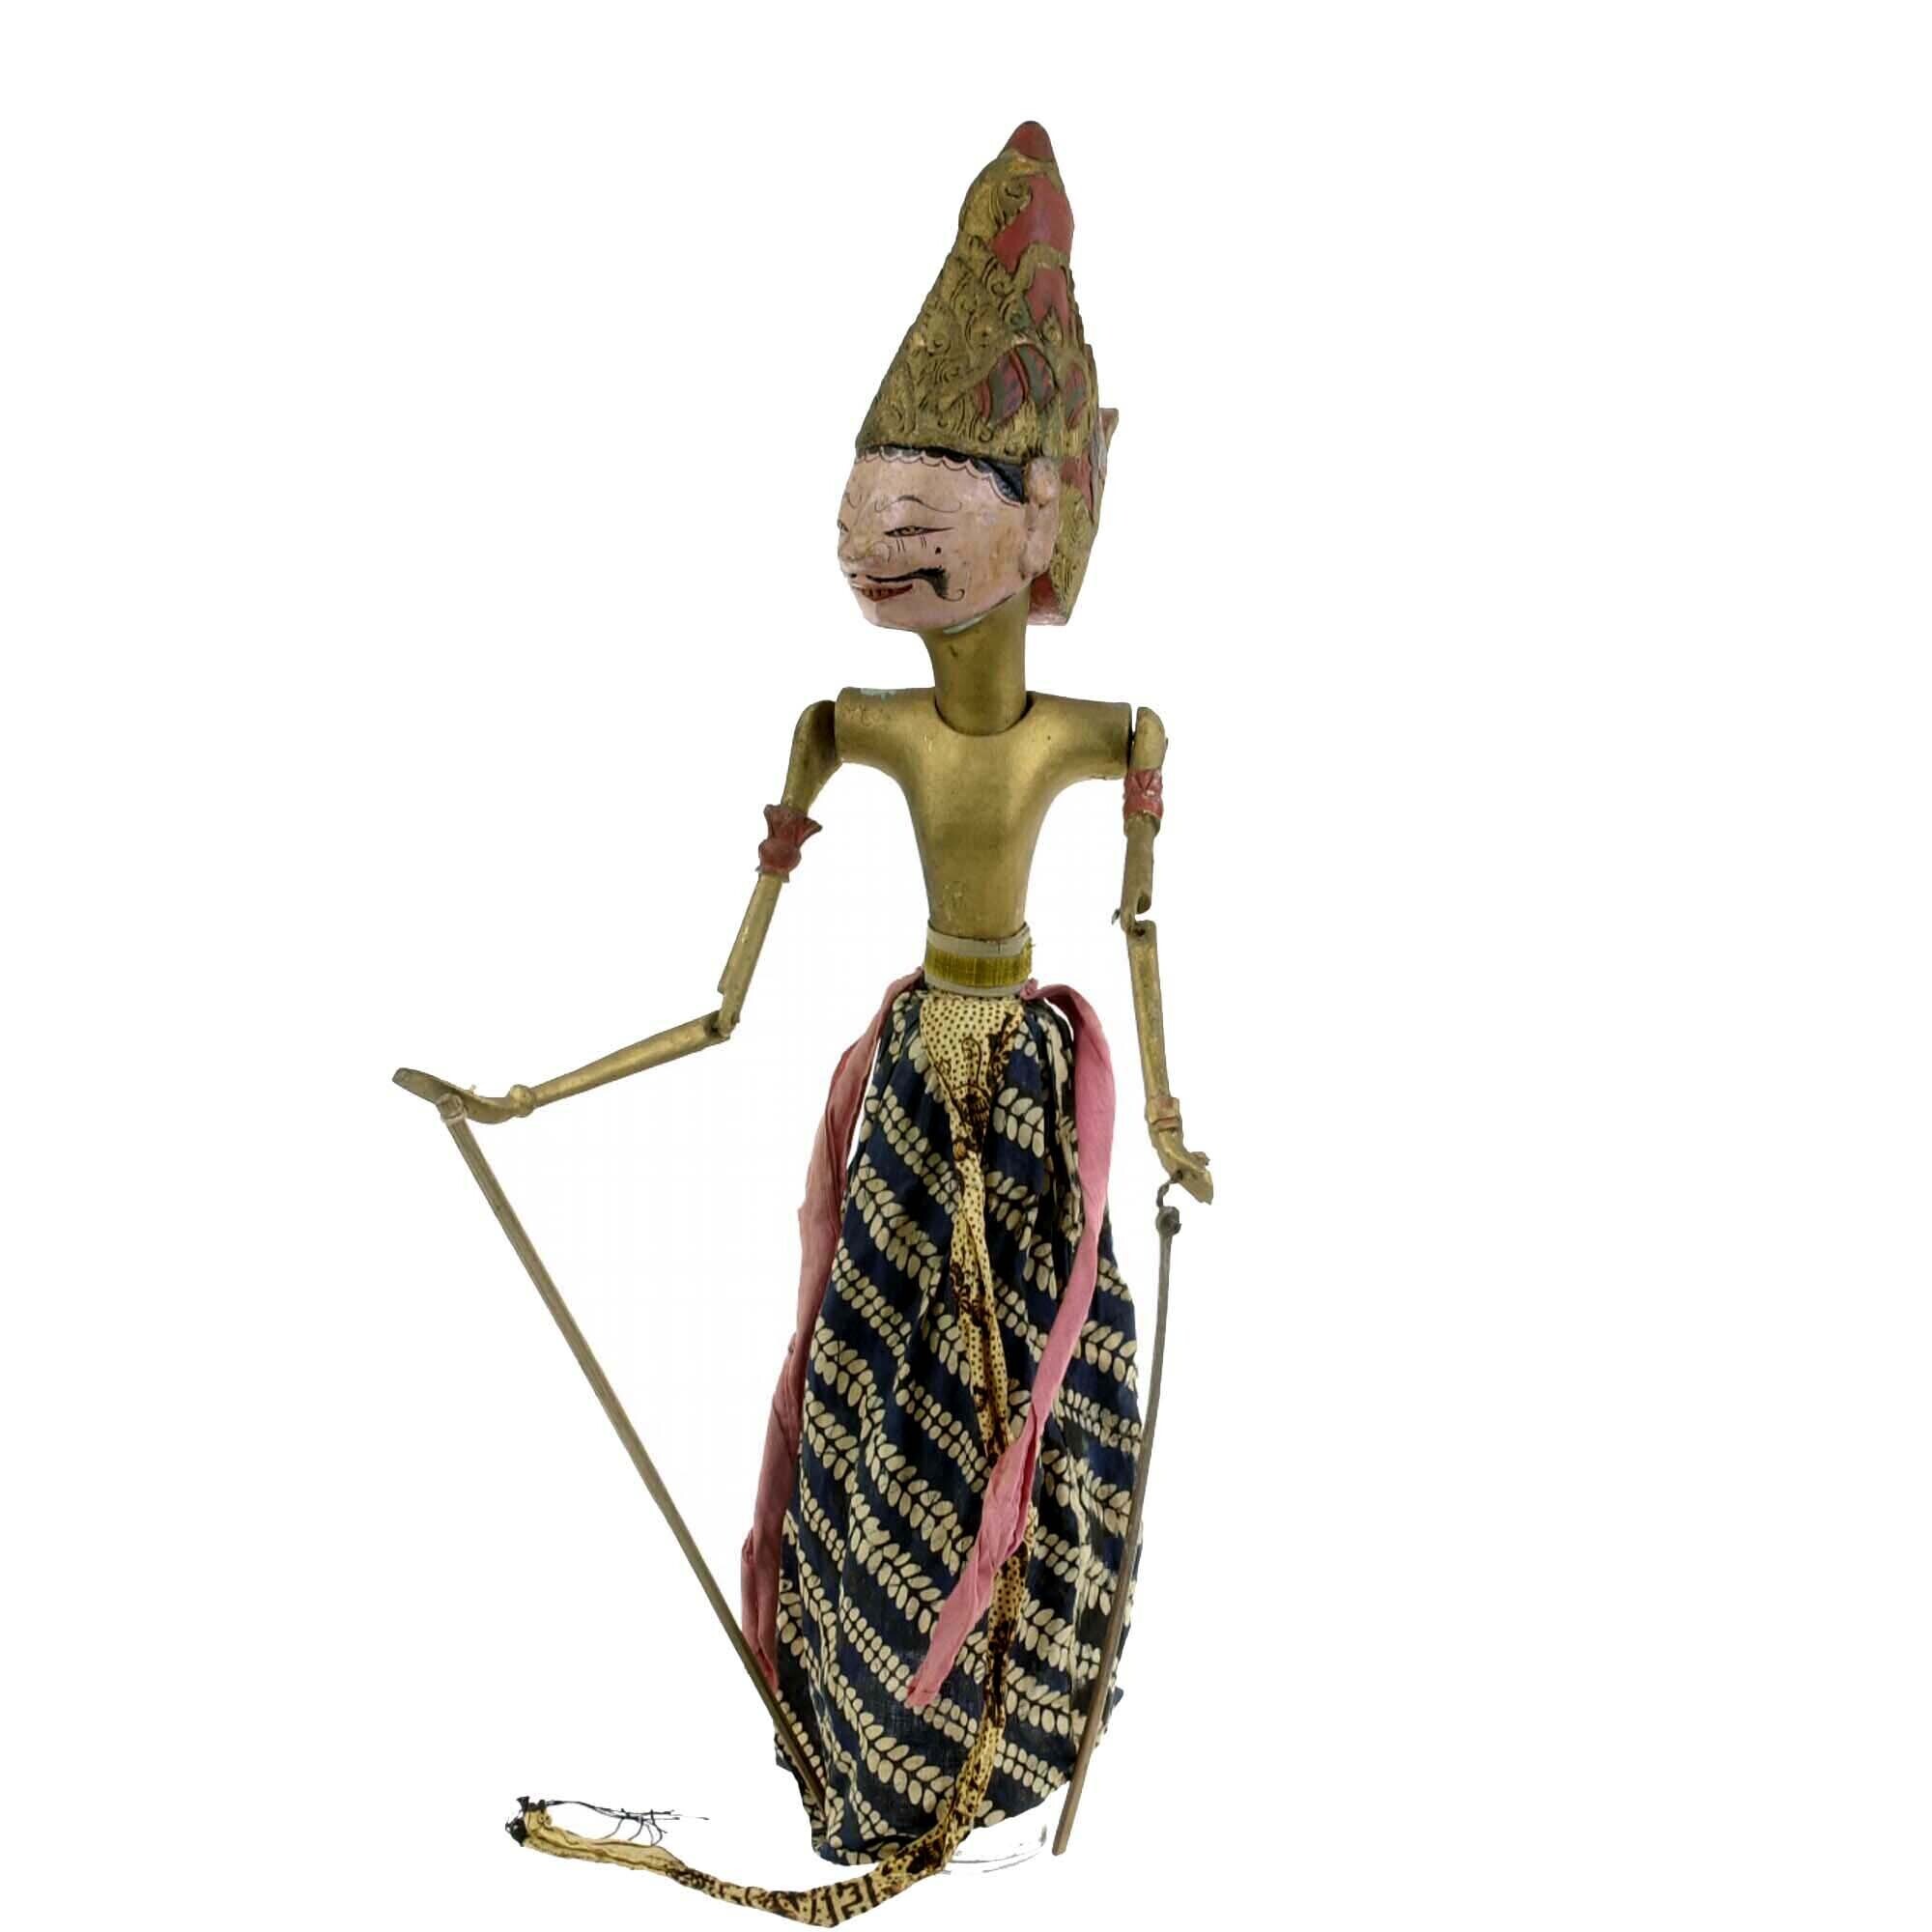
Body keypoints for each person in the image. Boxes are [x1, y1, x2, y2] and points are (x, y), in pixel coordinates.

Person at [408, 121, 1212, 1919]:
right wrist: (525, 1103)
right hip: (912, 1090)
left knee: (1042, 1397)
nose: (879, 542)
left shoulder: (1108, 739)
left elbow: (1141, 933)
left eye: (930, 507)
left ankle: (1012, 1720)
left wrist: (1160, 1125)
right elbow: (726, 1007)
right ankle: (878, 1732)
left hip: (1026, 1100)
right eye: (870, 510)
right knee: (866, 1398)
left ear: (1046, 516)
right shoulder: (854, 727)